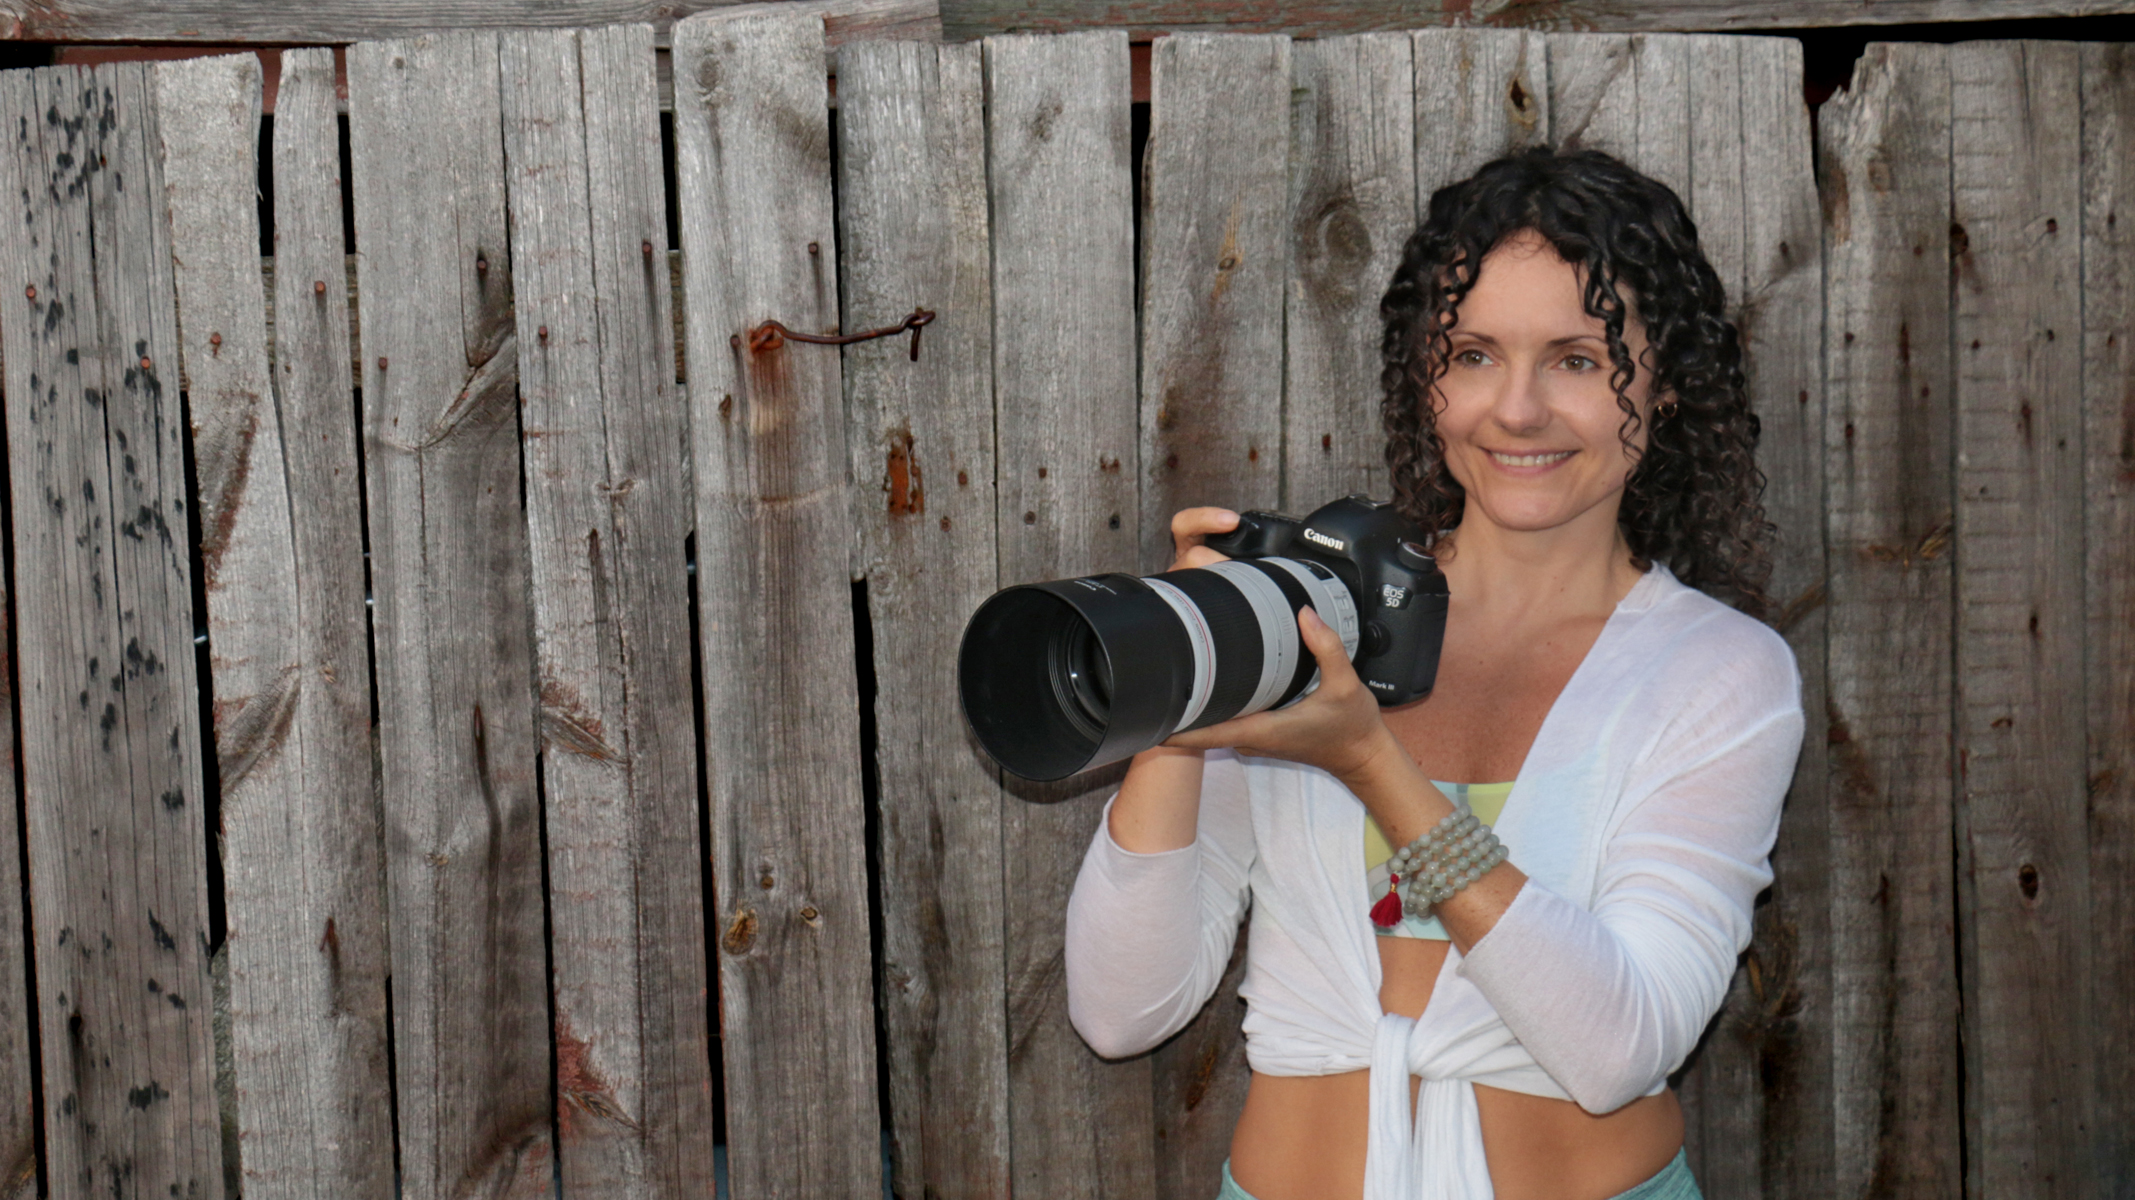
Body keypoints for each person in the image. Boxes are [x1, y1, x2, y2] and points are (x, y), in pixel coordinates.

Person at [1062, 146, 1804, 1200]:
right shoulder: (1309, 624)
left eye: (1576, 360)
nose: (1516, 410)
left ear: (1667, 381)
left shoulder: (1716, 673)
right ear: (1426, 378)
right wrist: (1184, 687)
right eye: (1472, 354)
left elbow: (1618, 1046)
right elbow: (1120, 1010)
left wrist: (1370, 763)